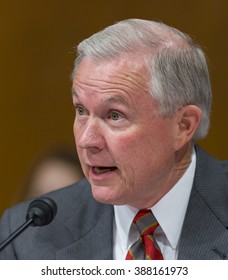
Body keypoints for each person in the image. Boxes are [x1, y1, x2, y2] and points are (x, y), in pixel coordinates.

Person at [0, 18, 228, 260]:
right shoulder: (29, 236)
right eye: (81, 111)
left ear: (183, 126)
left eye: (114, 115)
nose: (87, 140)